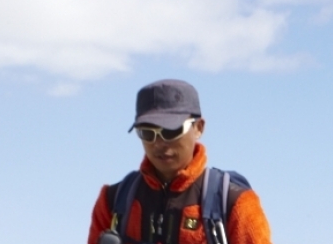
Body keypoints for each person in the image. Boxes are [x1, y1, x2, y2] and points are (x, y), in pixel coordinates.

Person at [87, 79, 273, 244]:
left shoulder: (235, 203)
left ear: (199, 128)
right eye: (147, 132)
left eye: (171, 131)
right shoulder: (111, 202)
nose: (159, 143)